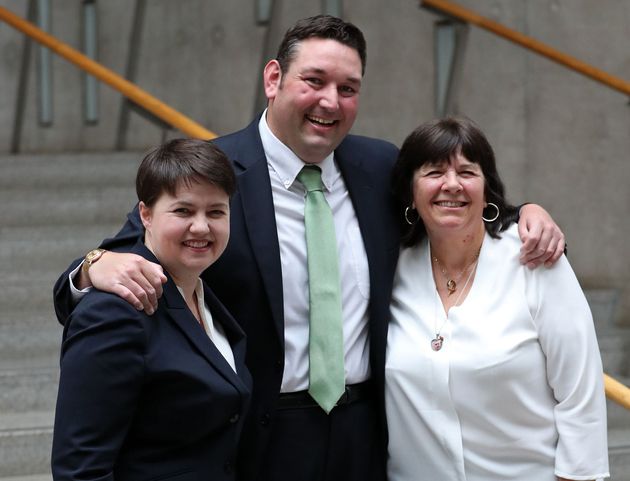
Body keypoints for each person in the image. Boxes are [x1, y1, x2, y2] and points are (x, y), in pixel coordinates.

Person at [52, 15, 566, 481]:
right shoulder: (212, 171)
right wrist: (90, 268)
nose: (330, 101)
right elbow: (121, 258)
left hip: (367, 430)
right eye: (314, 81)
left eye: (348, 88)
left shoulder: (379, 166)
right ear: (273, 79)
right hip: (259, 434)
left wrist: (528, 215)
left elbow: (454, 204)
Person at [386, 117, 609, 481]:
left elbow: (580, 395)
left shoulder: (534, 262)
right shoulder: (390, 266)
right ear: (410, 190)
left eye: (467, 172)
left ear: (487, 188)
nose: (452, 184)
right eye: (434, 172)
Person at [51, 139, 251, 481]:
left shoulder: (204, 295)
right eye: (183, 211)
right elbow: (81, 468)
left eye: (216, 211)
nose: (201, 227)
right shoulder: (114, 313)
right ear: (145, 214)